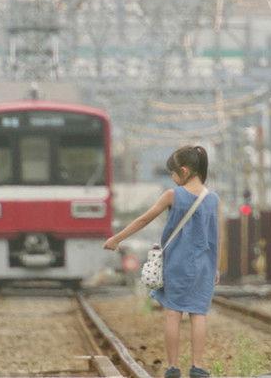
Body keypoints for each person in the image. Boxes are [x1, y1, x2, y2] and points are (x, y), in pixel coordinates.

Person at [103, 145, 220, 378]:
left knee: (173, 313)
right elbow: (216, 237)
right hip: (205, 264)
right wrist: (216, 267)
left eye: (173, 173)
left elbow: (144, 219)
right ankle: (198, 366)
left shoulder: (173, 195)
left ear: (184, 171)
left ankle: (173, 367)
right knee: (198, 313)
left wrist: (116, 239)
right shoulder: (213, 199)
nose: (172, 178)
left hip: (177, 262)